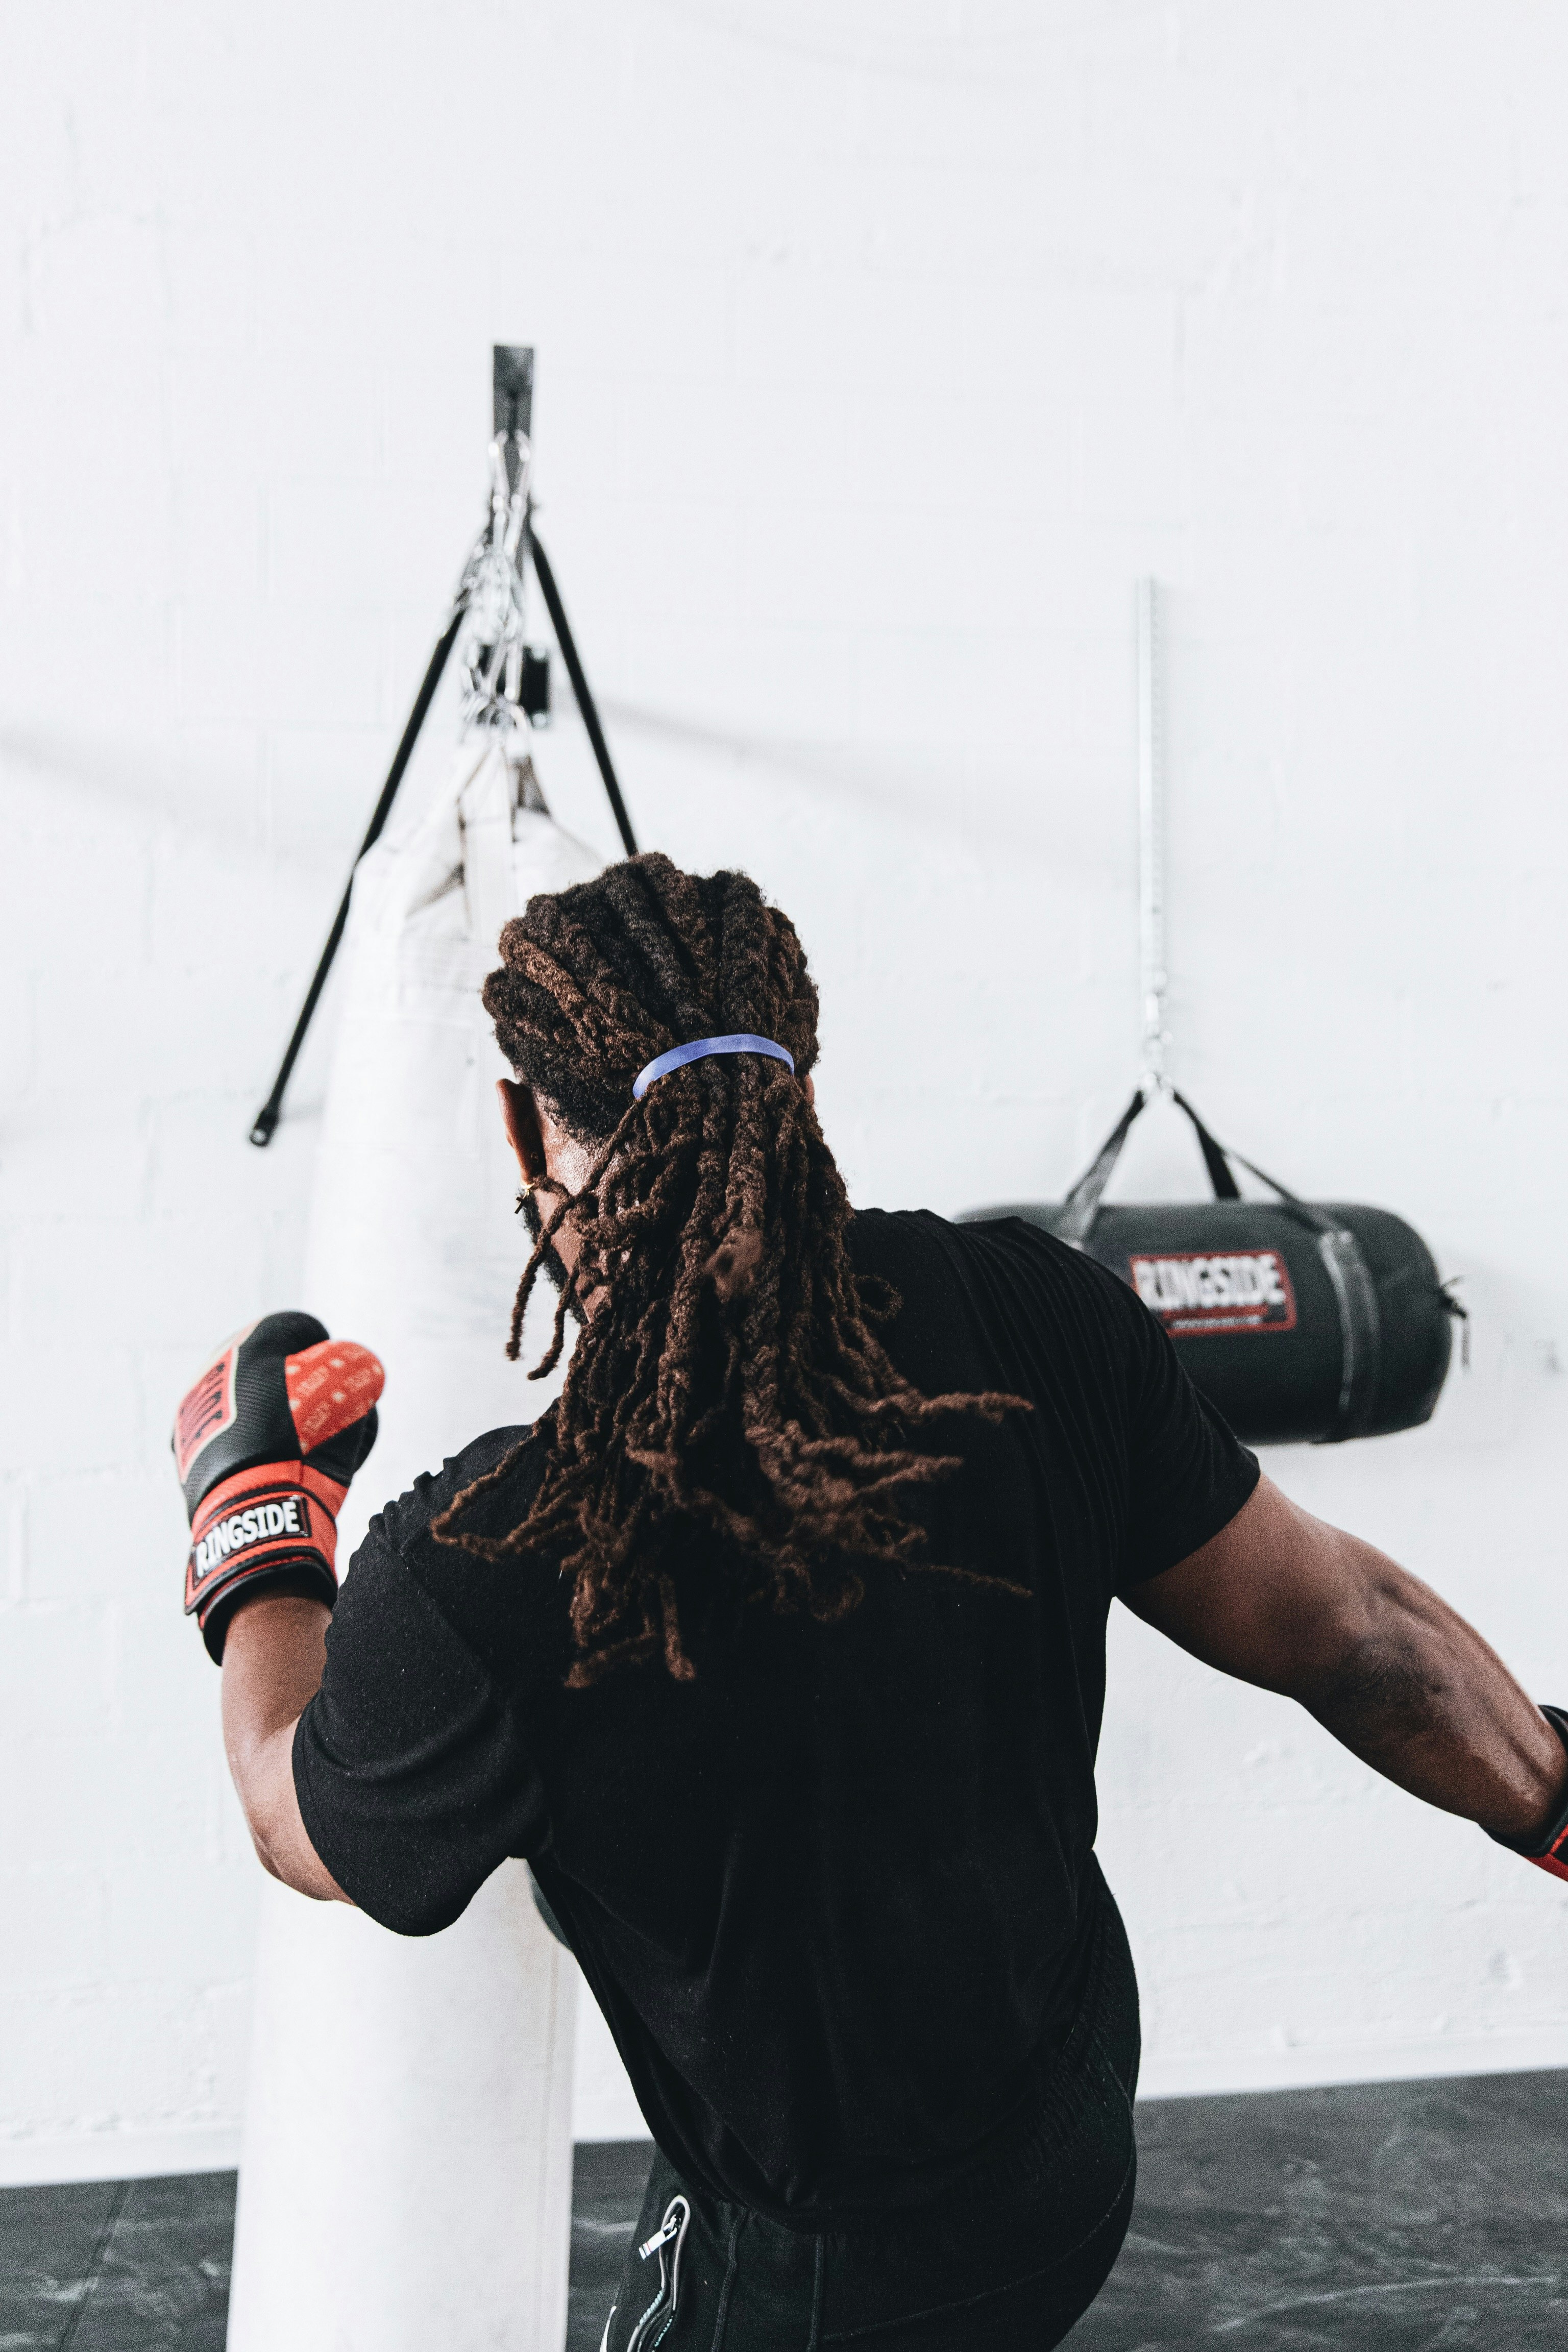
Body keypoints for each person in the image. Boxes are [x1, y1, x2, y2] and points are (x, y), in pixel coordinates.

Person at [175, 854, 1568, 2352]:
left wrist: (255, 1521)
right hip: (1072, 2127)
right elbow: (1355, 1631)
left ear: (520, 1126)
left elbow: (292, 1815)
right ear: (805, 1088)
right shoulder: (1037, 1313)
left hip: (833, 2274)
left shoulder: (498, 1561)